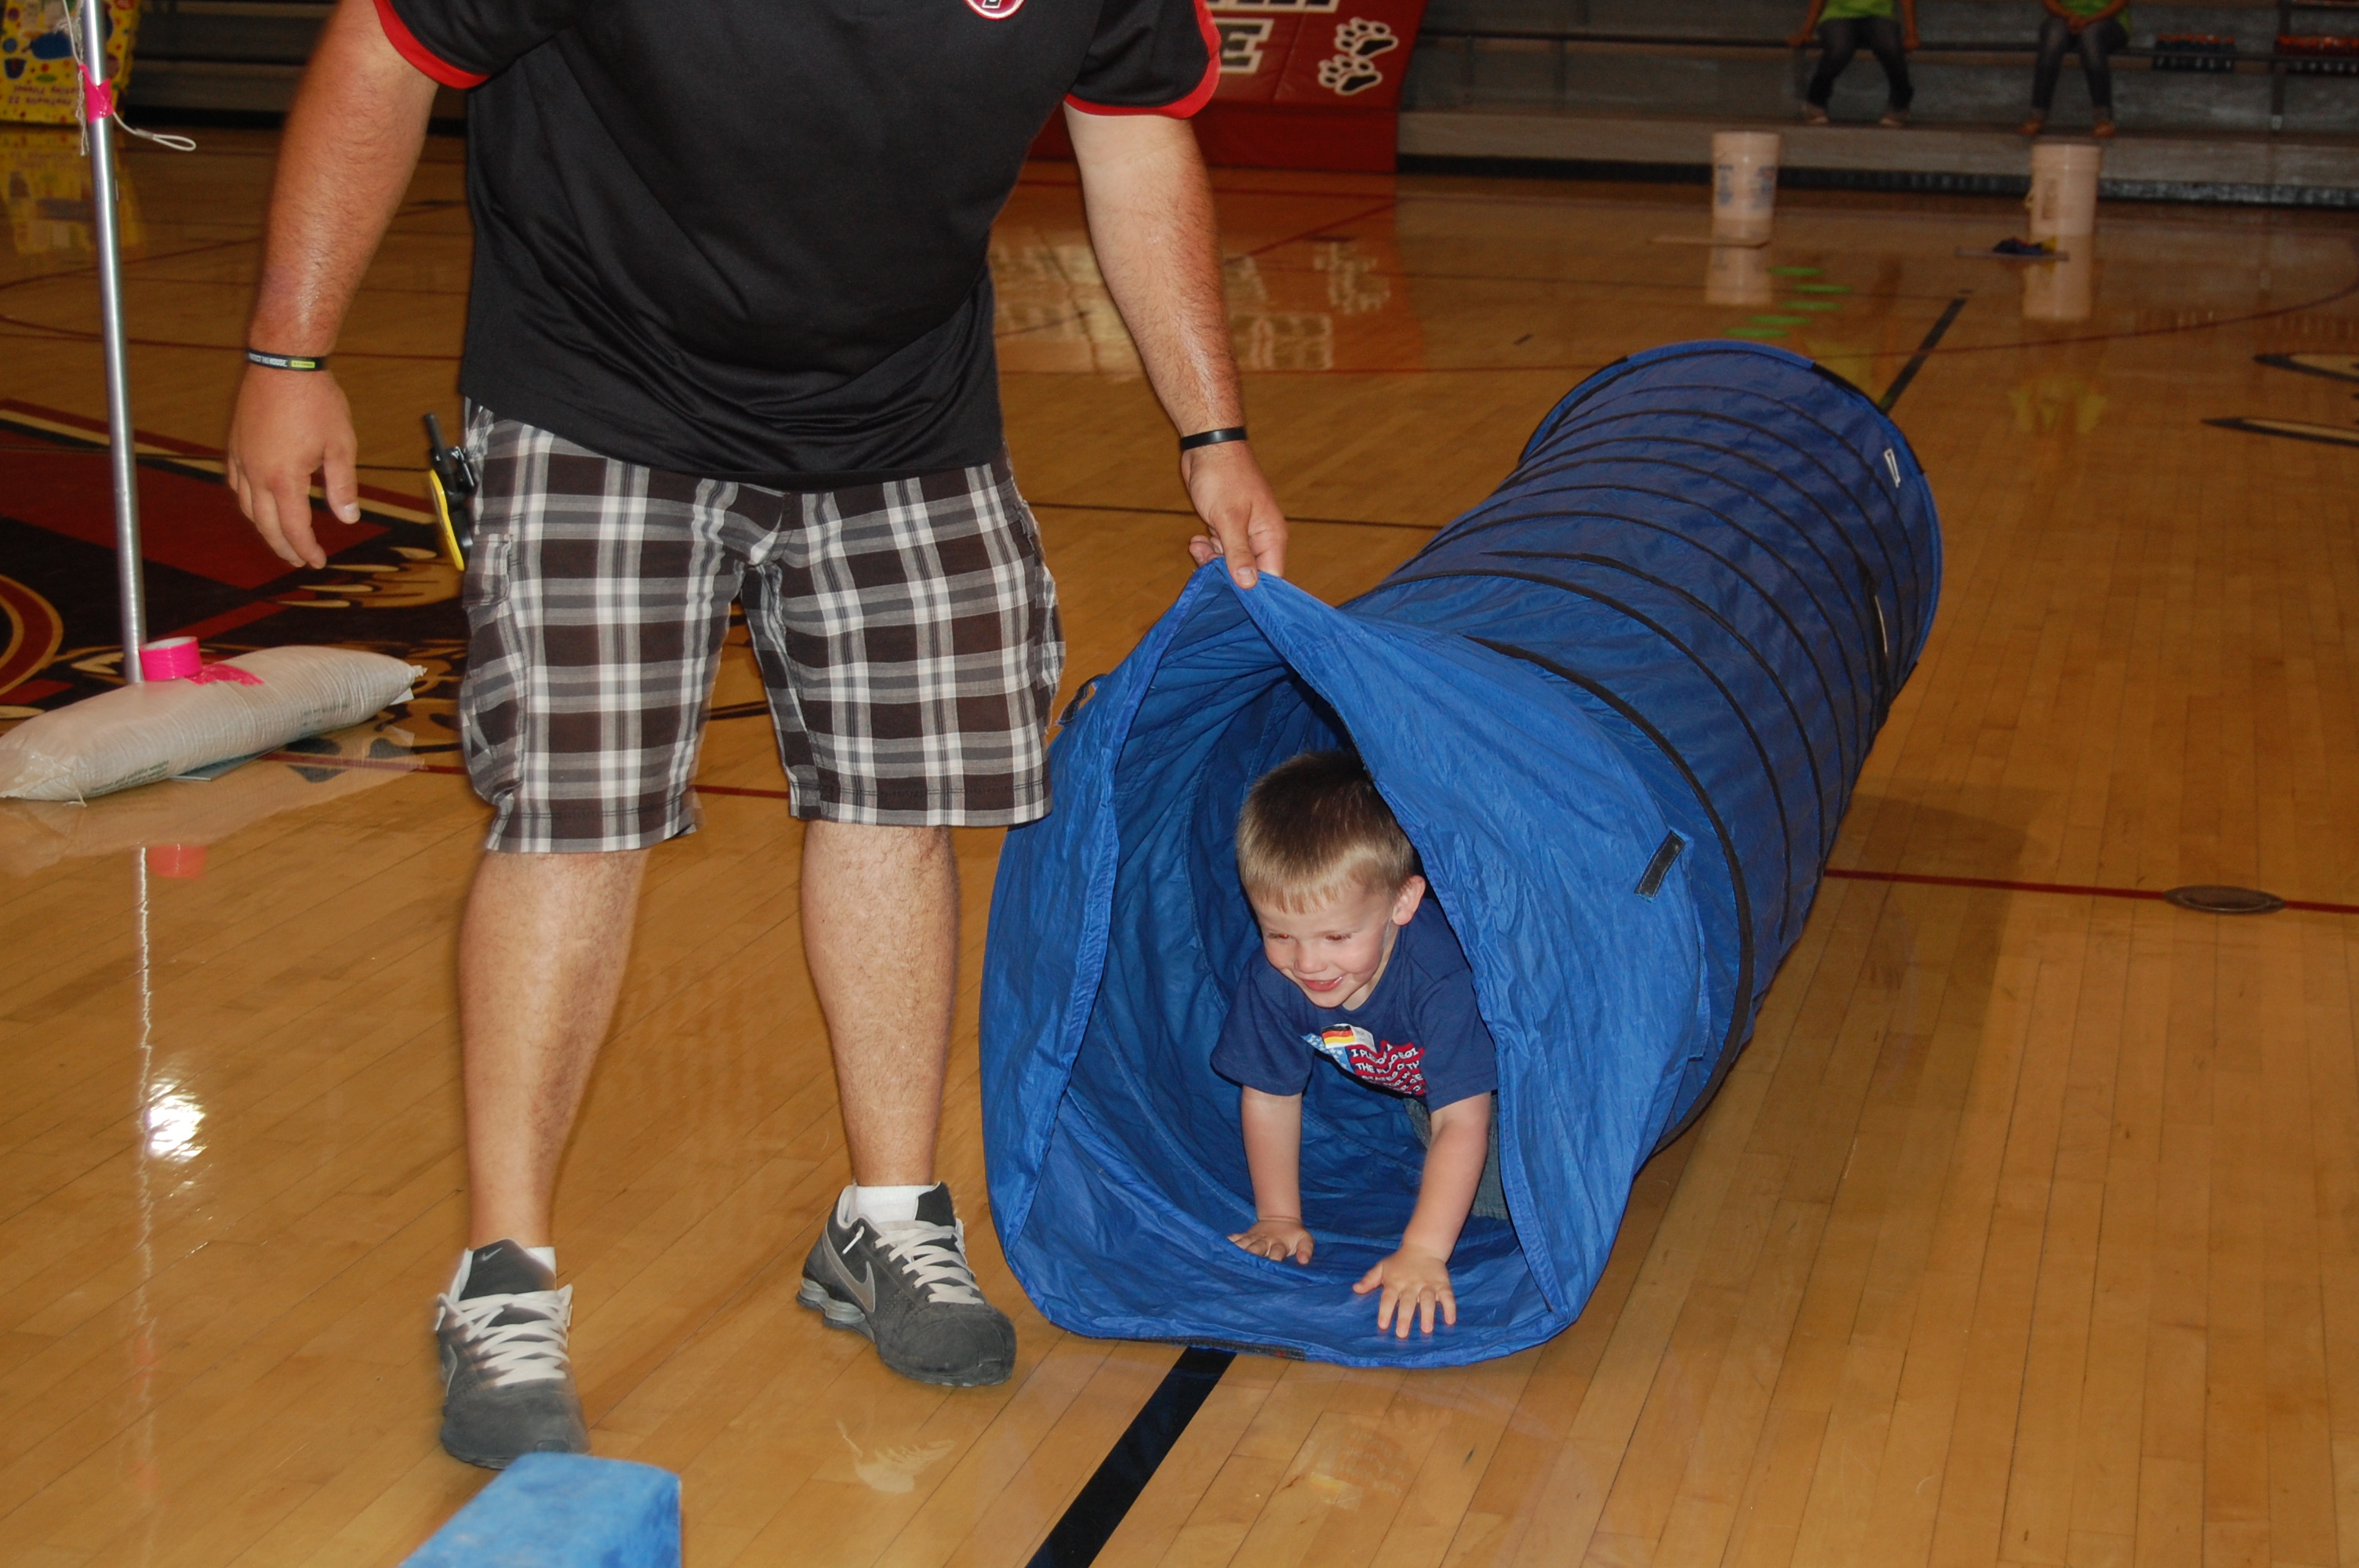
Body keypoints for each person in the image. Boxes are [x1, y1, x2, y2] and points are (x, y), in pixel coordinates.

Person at [223, 0, 1288, 1468]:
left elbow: (1133, 134)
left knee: (899, 805)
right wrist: (289, 357)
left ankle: (888, 1221)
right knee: (571, 817)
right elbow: (383, 47)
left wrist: (1211, 431)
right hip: (596, 389)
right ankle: (504, 1275)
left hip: (899, 416)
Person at [1210, 751, 1503, 1339]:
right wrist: (1279, 1216)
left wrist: (1422, 1251)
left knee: (1505, 1204)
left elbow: (1462, 1123)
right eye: (1279, 933)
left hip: (1514, 1086)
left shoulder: (1442, 978)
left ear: (1403, 903)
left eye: (1337, 936)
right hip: (1425, 1086)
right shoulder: (1277, 979)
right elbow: (1269, 1096)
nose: (1308, 962)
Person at [1791, 0, 1920, 128]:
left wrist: (1911, 33)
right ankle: (1815, 101)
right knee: (1839, 50)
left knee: (1890, 47)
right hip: (1838, 15)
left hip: (1881, 15)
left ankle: (1900, 104)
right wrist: (1806, 31)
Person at [2023, 0, 2130, 137]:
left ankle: (2103, 119)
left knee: (2090, 36)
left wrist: (2090, 20)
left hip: (2109, 20)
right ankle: (2036, 115)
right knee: (2053, 39)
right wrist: (2069, 16)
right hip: (2063, 18)